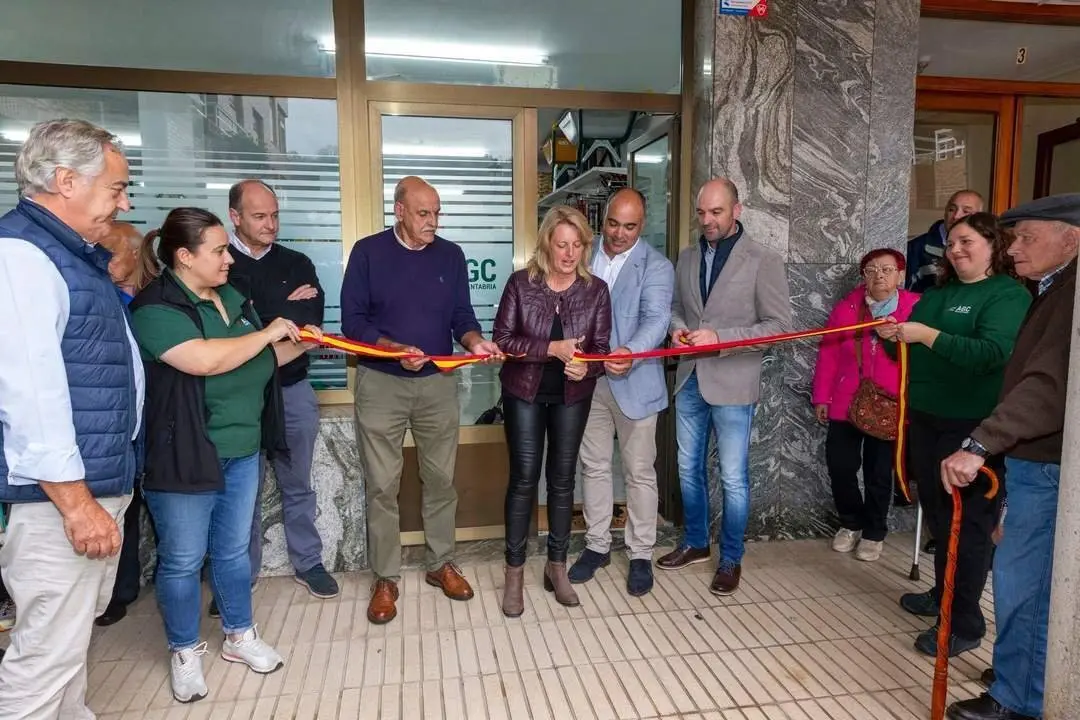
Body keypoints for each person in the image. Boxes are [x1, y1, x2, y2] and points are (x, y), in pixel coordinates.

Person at [130, 207, 314, 703]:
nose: (229, 258)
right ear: (184, 256)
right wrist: (269, 331)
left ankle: (239, 635)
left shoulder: (234, 298)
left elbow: (267, 356)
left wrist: (318, 342)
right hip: (184, 454)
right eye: (218, 250)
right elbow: (206, 360)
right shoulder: (156, 307)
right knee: (184, 559)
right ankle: (185, 650)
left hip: (242, 447)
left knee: (233, 550)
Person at [0, 118, 143, 718]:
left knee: (68, 644)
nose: (124, 201)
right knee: (43, 657)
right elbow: (30, 392)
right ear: (65, 181)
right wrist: (77, 502)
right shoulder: (24, 255)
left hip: (88, 482)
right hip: (59, 499)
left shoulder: (69, 254)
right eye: (115, 188)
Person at [942, 194, 1080, 720]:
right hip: (1032, 462)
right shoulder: (1050, 288)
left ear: (1071, 238)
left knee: (1027, 583)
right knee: (1025, 578)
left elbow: (1047, 387)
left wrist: (980, 445)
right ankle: (1024, 671)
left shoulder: (1069, 296)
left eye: (1026, 237)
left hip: (1047, 466)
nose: (1014, 248)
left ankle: (1020, 700)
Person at [341, 175, 502, 625]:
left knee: (440, 480)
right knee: (381, 484)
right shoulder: (368, 252)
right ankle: (386, 578)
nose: (433, 221)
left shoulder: (450, 256)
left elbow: (461, 317)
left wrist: (474, 342)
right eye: (423, 213)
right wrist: (393, 349)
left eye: (437, 213)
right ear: (399, 212)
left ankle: (440, 564)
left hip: (436, 383)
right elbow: (352, 322)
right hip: (380, 383)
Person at [878, 212, 1031, 659]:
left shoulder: (1006, 296)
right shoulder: (938, 294)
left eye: (967, 241)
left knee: (968, 527)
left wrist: (926, 335)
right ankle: (942, 594)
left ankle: (964, 622)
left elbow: (990, 354)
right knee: (942, 519)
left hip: (972, 427)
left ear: (992, 245)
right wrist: (894, 336)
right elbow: (911, 347)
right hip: (927, 420)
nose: (956, 249)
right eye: (951, 244)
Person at [658, 178, 792, 596]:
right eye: (701, 213)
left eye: (716, 212)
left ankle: (731, 558)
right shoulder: (687, 256)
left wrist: (720, 338)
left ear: (737, 209)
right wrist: (679, 331)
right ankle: (696, 543)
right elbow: (677, 309)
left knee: (733, 477)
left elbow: (779, 327)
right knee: (687, 469)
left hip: (734, 382)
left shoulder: (762, 260)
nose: (707, 220)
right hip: (689, 379)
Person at [493, 204, 612, 616]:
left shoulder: (595, 290)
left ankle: (557, 567)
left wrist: (587, 365)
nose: (569, 254)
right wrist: (554, 350)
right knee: (524, 478)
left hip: (571, 396)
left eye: (577, 245)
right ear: (547, 243)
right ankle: (514, 574)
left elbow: (601, 349)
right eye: (562, 245)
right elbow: (504, 341)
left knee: (562, 480)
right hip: (524, 393)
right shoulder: (521, 285)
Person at [226, 179, 339, 602]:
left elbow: (309, 331)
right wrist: (280, 318)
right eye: (259, 216)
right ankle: (241, 575)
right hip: (238, 397)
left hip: (292, 391)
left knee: (298, 483)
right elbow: (221, 334)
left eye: (275, 215)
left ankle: (308, 563)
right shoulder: (220, 265)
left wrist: (265, 328)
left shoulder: (297, 263)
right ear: (235, 217)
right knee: (242, 492)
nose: (270, 224)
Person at [567, 189, 673, 596]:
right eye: (613, 223)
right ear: (602, 218)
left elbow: (656, 318)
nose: (619, 234)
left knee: (639, 472)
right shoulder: (585, 255)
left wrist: (631, 351)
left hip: (636, 383)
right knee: (593, 466)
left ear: (641, 226)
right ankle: (597, 545)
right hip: (589, 383)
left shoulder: (657, 267)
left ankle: (641, 552)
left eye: (629, 227)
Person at [811, 248, 919, 562]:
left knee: (879, 472)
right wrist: (822, 396)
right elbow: (828, 353)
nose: (878, 276)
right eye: (871, 270)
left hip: (889, 403)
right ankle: (851, 522)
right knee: (840, 465)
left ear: (900, 275)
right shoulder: (847, 308)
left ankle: (874, 531)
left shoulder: (916, 308)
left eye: (887, 269)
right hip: (846, 400)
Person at [95, 220, 161, 627]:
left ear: (134, 255)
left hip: (161, 421)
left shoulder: (158, 299)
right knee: (124, 508)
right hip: (121, 427)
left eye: (111, 252)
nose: (103, 260)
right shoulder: (103, 296)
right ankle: (119, 591)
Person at [907, 189, 984, 294]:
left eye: (966, 211)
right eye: (952, 209)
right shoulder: (916, 247)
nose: (956, 216)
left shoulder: (985, 248)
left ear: (979, 217)